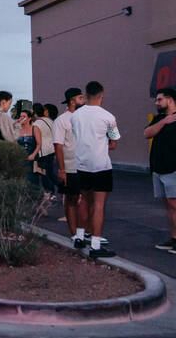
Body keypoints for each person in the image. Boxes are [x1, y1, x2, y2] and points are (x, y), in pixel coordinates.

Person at [69, 80, 119, 258]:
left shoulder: (75, 116)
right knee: (98, 205)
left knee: (83, 200)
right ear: (102, 94)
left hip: (81, 163)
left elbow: (75, 137)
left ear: (86, 95)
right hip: (101, 164)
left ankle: (80, 237)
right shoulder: (109, 117)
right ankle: (96, 245)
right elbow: (114, 142)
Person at [143, 87, 176, 255]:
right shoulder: (159, 119)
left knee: (175, 204)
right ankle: (174, 237)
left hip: (174, 168)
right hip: (158, 168)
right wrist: (164, 122)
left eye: (159, 99)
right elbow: (147, 133)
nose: (156, 103)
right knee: (167, 205)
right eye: (156, 100)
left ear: (170, 100)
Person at [53, 87, 85, 241]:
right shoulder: (62, 120)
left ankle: (86, 234)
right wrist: (62, 169)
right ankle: (74, 235)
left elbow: (111, 137)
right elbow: (58, 146)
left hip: (89, 166)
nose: (83, 100)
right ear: (72, 101)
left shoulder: (87, 117)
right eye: (80, 98)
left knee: (88, 201)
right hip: (70, 167)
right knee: (71, 200)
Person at [33, 103, 58, 196]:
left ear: (34, 113)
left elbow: (35, 138)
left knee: (44, 173)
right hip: (51, 150)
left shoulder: (36, 124)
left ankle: (50, 192)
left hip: (43, 151)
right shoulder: (50, 121)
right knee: (50, 172)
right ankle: (62, 188)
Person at [15, 109, 36, 185]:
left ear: (29, 118)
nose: (21, 118)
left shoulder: (34, 128)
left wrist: (33, 155)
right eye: (20, 116)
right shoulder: (17, 129)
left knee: (31, 179)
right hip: (20, 157)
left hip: (31, 158)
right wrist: (16, 123)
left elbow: (39, 144)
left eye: (24, 116)